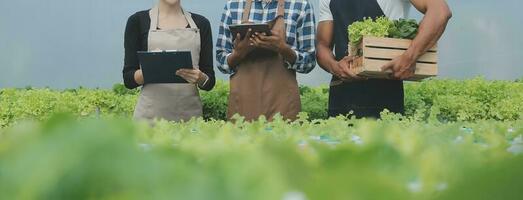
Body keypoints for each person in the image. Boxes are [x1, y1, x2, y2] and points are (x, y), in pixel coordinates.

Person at [316, 0, 452, 118]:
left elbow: (439, 11)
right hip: (341, 95)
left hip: (385, 92)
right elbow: (322, 45)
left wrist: (410, 57)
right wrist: (335, 67)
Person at [216, 0, 316, 121]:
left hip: (283, 106)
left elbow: (309, 62)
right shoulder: (233, 6)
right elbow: (221, 61)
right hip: (242, 106)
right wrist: (239, 53)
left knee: (285, 139)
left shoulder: (301, 5)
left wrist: (283, 49)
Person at [122, 0, 216, 121]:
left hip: (190, 118)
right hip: (149, 120)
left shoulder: (202, 24)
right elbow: (128, 79)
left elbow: (210, 81)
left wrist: (201, 78)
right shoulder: (137, 21)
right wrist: (150, 69)